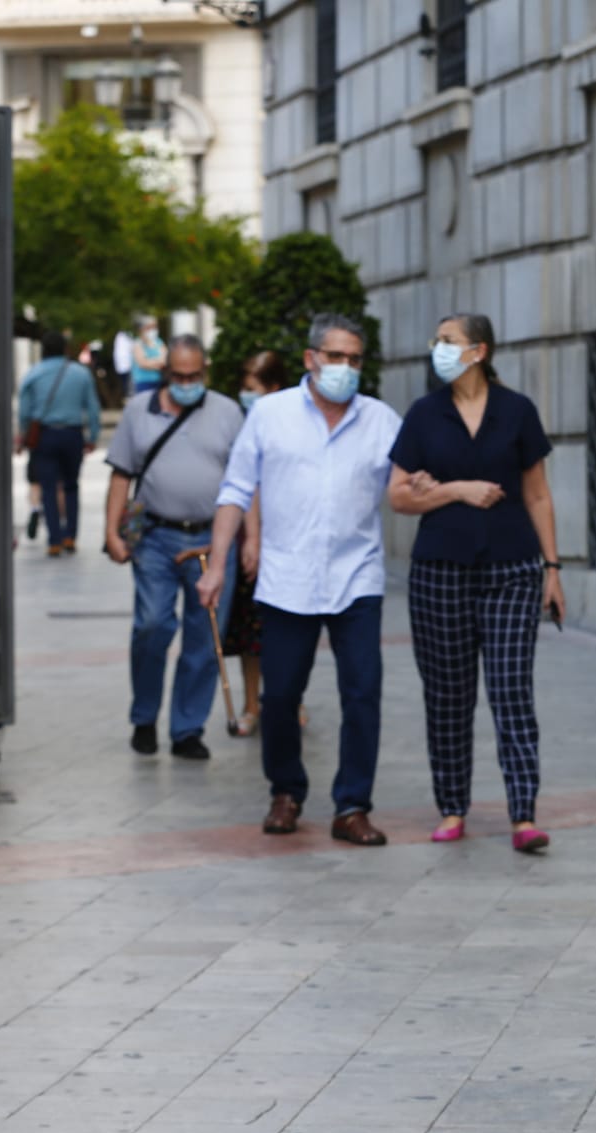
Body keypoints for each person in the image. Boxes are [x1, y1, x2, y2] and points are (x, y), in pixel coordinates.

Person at [198, 314, 402, 847]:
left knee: (363, 693)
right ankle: (285, 791)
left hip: (357, 578)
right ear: (312, 359)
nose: (345, 368)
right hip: (285, 579)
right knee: (280, 694)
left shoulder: (381, 420)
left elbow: (404, 488)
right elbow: (235, 490)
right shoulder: (269, 414)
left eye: (355, 359)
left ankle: (353, 805)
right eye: (336, 357)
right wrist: (218, 564)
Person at [385, 314, 565, 852]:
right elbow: (397, 496)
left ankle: (522, 814)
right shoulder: (423, 414)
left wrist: (552, 569)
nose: (436, 348)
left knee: (511, 691)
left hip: (513, 569)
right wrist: (454, 490)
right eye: (436, 338)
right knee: (447, 695)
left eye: (447, 341)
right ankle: (452, 805)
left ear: (478, 350)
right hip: (439, 572)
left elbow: (537, 494)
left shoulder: (517, 411)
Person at [101, 334, 247, 760]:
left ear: (206, 371)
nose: (188, 383)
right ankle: (144, 717)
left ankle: (187, 728)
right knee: (152, 625)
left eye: (195, 375)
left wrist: (251, 537)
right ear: (166, 373)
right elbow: (120, 475)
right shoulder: (137, 411)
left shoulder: (227, 412)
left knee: (205, 634)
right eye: (180, 376)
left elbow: (244, 483)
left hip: (213, 538)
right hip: (155, 536)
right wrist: (112, 531)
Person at [223, 349, 292, 735]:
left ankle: (289, 700)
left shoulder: (291, 424)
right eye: (244, 389)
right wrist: (251, 537)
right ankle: (252, 704)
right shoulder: (240, 425)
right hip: (251, 538)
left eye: (253, 389)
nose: (246, 396)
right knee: (250, 630)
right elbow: (244, 486)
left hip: (287, 538)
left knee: (289, 630)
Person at [16, 331, 101, 557]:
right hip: (73, 435)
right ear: (65, 349)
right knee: (72, 485)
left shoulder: (33, 374)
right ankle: (70, 536)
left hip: (45, 436)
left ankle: (53, 539)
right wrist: (93, 436)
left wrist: (24, 435)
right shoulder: (81, 374)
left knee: (48, 488)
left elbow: (24, 411)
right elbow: (92, 408)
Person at [132, 317, 167, 395]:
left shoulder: (158, 342)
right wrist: (158, 362)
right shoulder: (138, 344)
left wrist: (150, 361)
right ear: (142, 329)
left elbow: (166, 359)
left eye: (155, 326)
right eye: (150, 327)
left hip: (158, 381)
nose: (153, 329)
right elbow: (143, 363)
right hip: (143, 382)